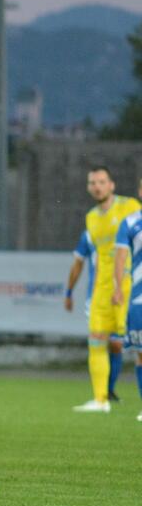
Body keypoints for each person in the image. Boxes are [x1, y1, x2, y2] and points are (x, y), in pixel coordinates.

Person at [74, 166, 139, 413]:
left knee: (133, 344)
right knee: (96, 340)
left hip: (129, 284)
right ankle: (100, 400)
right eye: (93, 183)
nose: (97, 186)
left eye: (102, 181)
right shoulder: (91, 217)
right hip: (102, 288)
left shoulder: (130, 206)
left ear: (111, 184)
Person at [63, 229, 123, 401]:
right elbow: (78, 264)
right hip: (96, 297)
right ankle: (103, 394)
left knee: (117, 344)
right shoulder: (89, 234)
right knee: (100, 341)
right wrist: (68, 292)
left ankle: (109, 390)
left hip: (121, 296)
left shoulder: (124, 231)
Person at [112, 178, 142, 422]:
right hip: (140, 299)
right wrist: (117, 287)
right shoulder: (130, 222)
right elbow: (120, 257)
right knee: (141, 354)